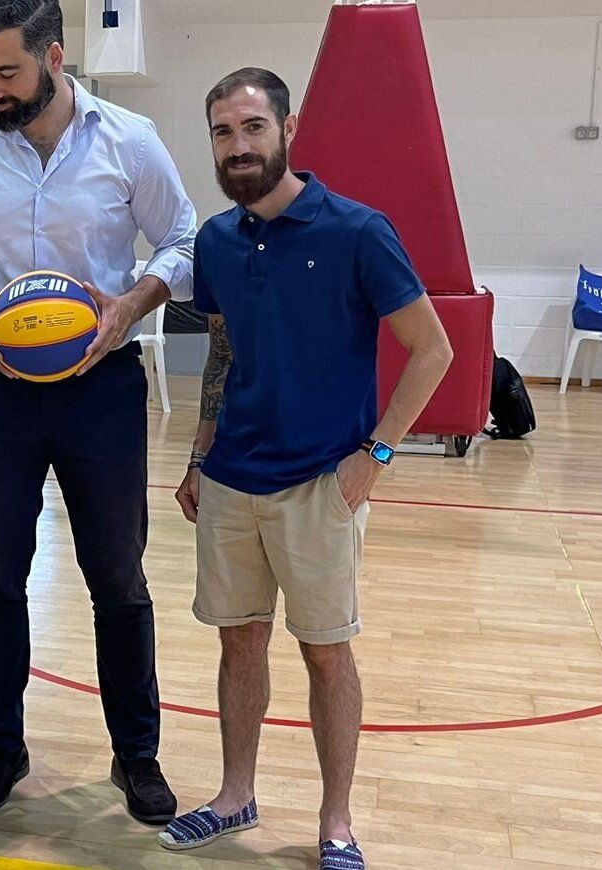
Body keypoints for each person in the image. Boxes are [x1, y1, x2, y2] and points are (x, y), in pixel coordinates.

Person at [0, 0, 197, 825]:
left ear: (54, 58)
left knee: (117, 580)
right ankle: (4, 745)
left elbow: (180, 238)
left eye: (8, 72)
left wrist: (130, 304)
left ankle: (136, 757)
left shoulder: (128, 138)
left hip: (98, 384)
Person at [164, 69, 453, 869]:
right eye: (222, 132)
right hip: (229, 481)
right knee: (238, 644)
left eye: (252, 128)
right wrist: (198, 455)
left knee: (326, 653)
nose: (238, 145)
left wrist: (378, 454)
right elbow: (222, 350)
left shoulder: (356, 231)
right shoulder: (215, 240)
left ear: (286, 129)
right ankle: (233, 797)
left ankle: (335, 823)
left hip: (320, 485)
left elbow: (433, 349)